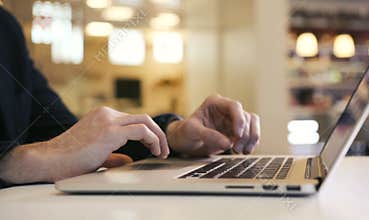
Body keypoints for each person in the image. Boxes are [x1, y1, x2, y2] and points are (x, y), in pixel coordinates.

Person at [0, 6, 260, 187]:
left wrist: (174, 135)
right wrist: (16, 162)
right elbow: (53, 151)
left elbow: (67, 140)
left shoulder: (7, 30)